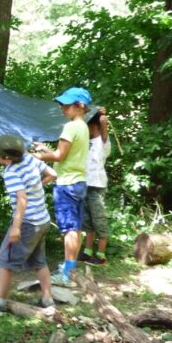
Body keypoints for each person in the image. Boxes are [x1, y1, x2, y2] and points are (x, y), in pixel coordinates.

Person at [0, 135, 58, 315]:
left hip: (27, 223)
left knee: (5, 260)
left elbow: (22, 199)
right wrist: (38, 185)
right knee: (39, 261)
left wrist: (16, 227)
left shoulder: (11, 172)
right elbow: (53, 174)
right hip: (42, 220)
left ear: (7, 159)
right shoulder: (30, 159)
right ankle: (47, 300)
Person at [32, 86, 91, 286]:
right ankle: (69, 268)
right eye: (62, 105)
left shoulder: (70, 127)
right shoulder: (83, 127)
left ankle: (66, 275)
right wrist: (45, 149)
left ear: (80, 106)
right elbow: (65, 155)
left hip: (67, 184)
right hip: (79, 182)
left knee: (69, 230)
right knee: (76, 228)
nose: (62, 108)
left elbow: (59, 156)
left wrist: (35, 156)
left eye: (67, 105)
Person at [79, 107, 110, 265]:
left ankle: (101, 255)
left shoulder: (103, 142)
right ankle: (87, 251)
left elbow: (103, 120)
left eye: (89, 126)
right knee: (87, 220)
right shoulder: (86, 141)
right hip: (85, 184)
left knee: (98, 220)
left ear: (95, 127)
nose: (87, 130)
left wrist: (100, 114)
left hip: (97, 186)